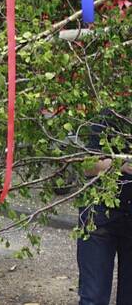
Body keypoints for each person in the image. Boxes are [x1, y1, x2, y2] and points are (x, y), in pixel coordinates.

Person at [77, 109, 132, 305]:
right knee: (93, 298)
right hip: (99, 217)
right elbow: (85, 165)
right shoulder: (110, 115)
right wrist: (119, 164)